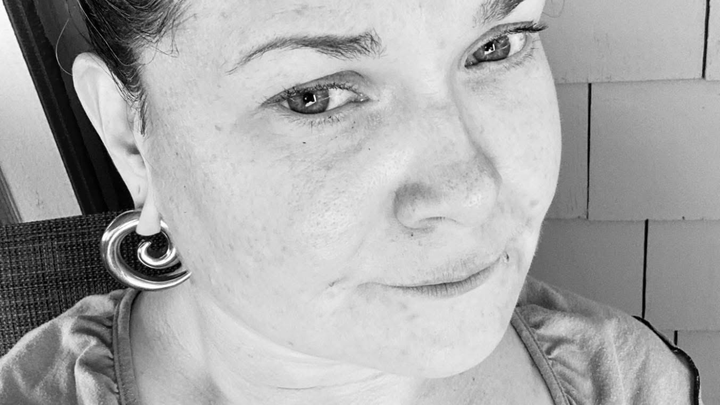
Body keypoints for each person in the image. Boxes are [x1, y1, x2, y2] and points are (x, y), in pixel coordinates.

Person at [0, 0, 703, 403]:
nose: (471, 191)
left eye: (497, 45)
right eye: (315, 96)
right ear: (131, 137)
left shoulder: (630, 382)